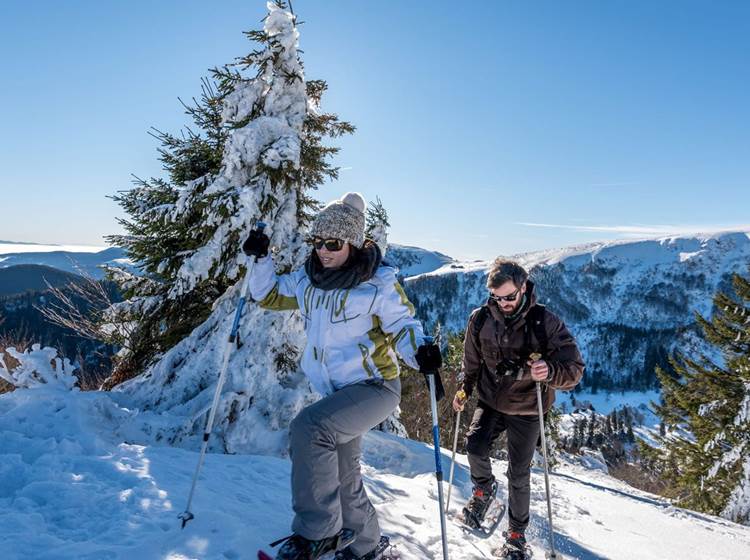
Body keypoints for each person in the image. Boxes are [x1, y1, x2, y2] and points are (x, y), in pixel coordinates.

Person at [243, 192, 442, 560]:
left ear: (351, 242)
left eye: (332, 244)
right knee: (343, 473)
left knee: (309, 428)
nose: (323, 251)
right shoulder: (309, 281)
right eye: (317, 242)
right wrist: (260, 258)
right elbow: (267, 294)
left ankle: (317, 534)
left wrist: (421, 352)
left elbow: (403, 324)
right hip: (337, 393)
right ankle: (367, 546)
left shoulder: (376, 284)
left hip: (375, 387)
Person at [453, 259, 584, 559]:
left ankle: (516, 536)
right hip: (490, 400)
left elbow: (574, 369)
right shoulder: (481, 319)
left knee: (519, 474)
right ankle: (483, 490)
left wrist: (548, 370)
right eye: (497, 298)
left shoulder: (544, 322)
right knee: (474, 447)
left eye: (510, 297)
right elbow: (470, 364)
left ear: (523, 288)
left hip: (527, 408)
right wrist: (464, 389)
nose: (504, 304)